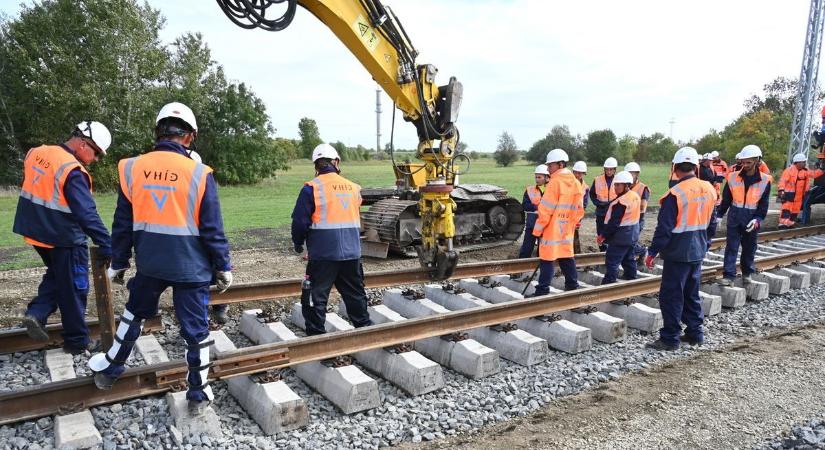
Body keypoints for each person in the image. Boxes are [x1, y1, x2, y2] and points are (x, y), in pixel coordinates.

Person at [88, 102, 233, 416]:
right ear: (190, 137)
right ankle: (198, 391)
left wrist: (119, 261)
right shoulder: (199, 173)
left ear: (158, 131)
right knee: (196, 330)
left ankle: (110, 368)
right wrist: (223, 266)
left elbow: (122, 222)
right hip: (192, 267)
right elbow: (212, 228)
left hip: (151, 264)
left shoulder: (131, 168)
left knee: (134, 315)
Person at [13, 121, 113, 354]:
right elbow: (87, 214)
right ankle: (77, 342)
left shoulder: (36, 153)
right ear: (81, 142)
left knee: (58, 275)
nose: (96, 159)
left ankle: (36, 313)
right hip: (64, 237)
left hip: (36, 232)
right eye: (96, 152)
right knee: (74, 287)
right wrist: (107, 244)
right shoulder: (72, 171)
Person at [291, 143, 373, 336]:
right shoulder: (354, 188)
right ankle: (365, 330)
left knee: (315, 297)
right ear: (336, 162)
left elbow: (299, 222)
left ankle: (317, 336)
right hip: (352, 254)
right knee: (355, 294)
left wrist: (298, 243)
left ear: (316, 166)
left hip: (323, 255)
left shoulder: (311, 188)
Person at [644, 147, 717, 350]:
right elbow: (712, 224)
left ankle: (670, 338)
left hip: (678, 253)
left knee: (671, 295)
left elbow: (664, 228)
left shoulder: (675, 194)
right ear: (696, 167)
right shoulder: (709, 189)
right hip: (698, 250)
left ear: (675, 169)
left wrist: (652, 252)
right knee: (691, 293)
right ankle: (695, 333)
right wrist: (705, 242)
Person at [715, 144, 771, 286]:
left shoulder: (765, 180)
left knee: (749, 247)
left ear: (757, 161)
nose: (745, 165)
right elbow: (726, 198)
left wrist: (758, 219)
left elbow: (764, 204)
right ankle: (728, 276)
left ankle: (747, 273)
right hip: (734, 216)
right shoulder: (732, 177)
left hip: (751, 218)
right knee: (731, 247)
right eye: (743, 162)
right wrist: (720, 214)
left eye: (749, 162)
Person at [530, 148, 584, 295]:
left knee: (547, 259)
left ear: (560, 164)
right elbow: (579, 209)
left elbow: (545, 210)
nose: (548, 168)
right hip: (566, 229)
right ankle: (572, 286)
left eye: (550, 165)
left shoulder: (554, 183)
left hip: (551, 229)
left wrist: (537, 230)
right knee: (566, 256)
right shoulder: (576, 182)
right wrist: (570, 223)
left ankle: (542, 291)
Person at [188, 150, 230, 325]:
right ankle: (215, 310)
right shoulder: (201, 178)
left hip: (191, 243)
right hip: (197, 241)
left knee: (206, 275)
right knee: (210, 274)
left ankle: (214, 310)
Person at [598, 171, 640, 284]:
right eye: (615, 185)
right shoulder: (635, 196)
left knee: (612, 261)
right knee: (628, 258)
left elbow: (613, 224)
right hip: (632, 235)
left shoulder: (621, 202)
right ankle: (631, 278)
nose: (615, 188)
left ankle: (609, 283)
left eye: (618, 185)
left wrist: (603, 235)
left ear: (626, 185)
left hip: (620, 238)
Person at [519, 165, 550, 258]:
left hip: (546, 225)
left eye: (539, 177)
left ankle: (541, 267)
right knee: (526, 247)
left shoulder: (552, 189)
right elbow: (525, 205)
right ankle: (521, 266)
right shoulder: (529, 190)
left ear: (547, 177)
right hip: (532, 224)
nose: (537, 179)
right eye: (536, 177)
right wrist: (538, 207)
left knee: (543, 248)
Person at [589, 157, 617, 251]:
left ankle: (612, 251)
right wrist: (597, 203)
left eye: (611, 169)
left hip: (614, 211)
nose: (608, 171)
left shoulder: (618, 180)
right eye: (607, 169)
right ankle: (602, 251)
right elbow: (592, 193)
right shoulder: (597, 179)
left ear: (614, 170)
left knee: (612, 231)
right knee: (600, 232)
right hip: (601, 210)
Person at [777, 153, 812, 228]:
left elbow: (813, 174)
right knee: (786, 211)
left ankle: (790, 224)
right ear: (798, 162)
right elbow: (782, 181)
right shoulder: (789, 170)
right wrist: (781, 190)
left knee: (795, 212)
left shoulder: (805, 171)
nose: (805, 163)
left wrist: (821, 170)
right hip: (788, 195)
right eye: (803, 162)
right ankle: (783, 225)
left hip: (798, 197)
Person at [624, 162, 649, 262]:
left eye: (632, 173)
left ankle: (642, 251)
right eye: (628, 173)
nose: (629, 175)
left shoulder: (643, 188)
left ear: (637, 174)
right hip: (626, 220)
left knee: (630, 242)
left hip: (637, 220)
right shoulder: (625, 186)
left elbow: (643, 208)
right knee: (627, 242)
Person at [572, 161, 588, 254]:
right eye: (576, 172)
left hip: (577, 215)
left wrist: (579, 217)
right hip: (566, 213)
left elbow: (584, 204)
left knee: (575, 233)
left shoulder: (585, 187)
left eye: (580, 173)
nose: (578, 175)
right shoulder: (568, 183)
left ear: (584, 174)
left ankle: (576, 253)